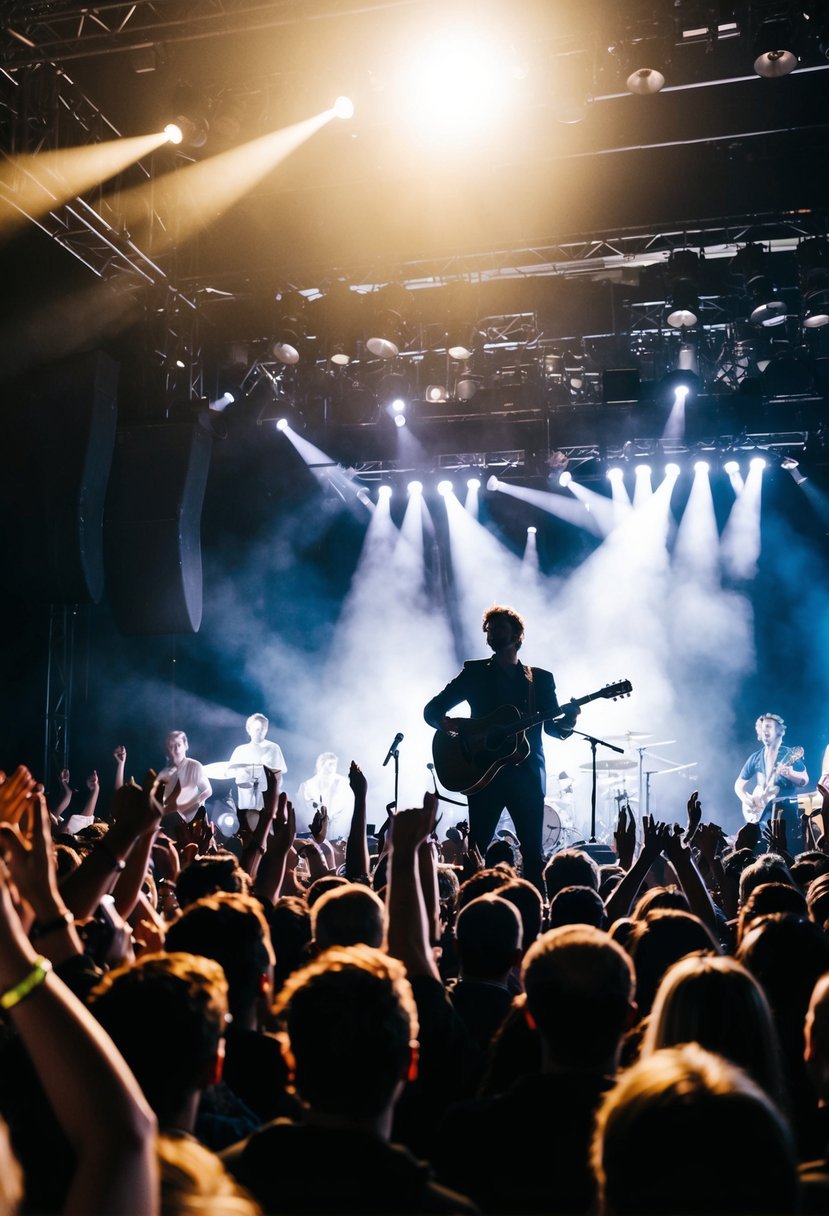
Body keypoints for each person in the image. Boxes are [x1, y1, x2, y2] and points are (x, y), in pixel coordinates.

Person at [424, 605, 579, 890]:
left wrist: (570, 719)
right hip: (481, 771)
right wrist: (448, 726)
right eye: (489, 629)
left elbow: (554, 728)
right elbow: (433, 709)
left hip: (527, 775)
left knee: (533, 853)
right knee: (477, 849)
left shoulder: (540, 679)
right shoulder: (474, 673)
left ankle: (535, 910)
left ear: (517, 635)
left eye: (499, 628)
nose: (492, 634)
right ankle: (467, 905)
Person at [734, 712, 808, 844]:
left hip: (786, 812)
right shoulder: (755, 758)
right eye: (763, 728)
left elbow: (804, 780)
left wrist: (790, 774)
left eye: (769, 727)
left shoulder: (788, 754)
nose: (765, 731)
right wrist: (748, 800)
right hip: (763, 816)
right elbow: (739, 785)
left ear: (779, 732)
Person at [228, 714, 286, 832]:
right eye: (257, 729)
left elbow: (278, 776)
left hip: (265, 804)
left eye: (263, 729)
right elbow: (231, 774)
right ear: (249, 729)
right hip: (245, 804)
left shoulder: (273, 748)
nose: (260, 732)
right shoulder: (240, 750)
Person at [157, 730, 212, 825]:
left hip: (195, 821)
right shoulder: (164, 773)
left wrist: (192, 803)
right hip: (173, 821)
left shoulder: (195, 766)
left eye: (179, 745)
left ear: (185, 745)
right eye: (172, 746)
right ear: (167, 750)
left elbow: (208, 791)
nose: (176, 749)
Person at [296, 752, 351, 836]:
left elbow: (347, 806)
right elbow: (303, 809)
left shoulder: (343, 783)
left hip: (337, 829)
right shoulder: (308, 785)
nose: (332, 768)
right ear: (321, 764)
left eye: (334, 764)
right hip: (315, 830)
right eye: (330, 764)